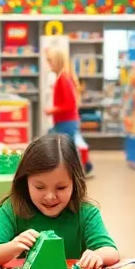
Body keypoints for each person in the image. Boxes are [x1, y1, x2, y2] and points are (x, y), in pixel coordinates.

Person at [0, 133, 117, 267]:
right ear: (25, 181)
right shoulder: (12, 209)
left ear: (75, 183)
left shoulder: (86, 213)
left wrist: (98, 255)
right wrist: (14, 246)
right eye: (40, 187)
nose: (50, 197)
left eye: (61, 187)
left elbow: (111, 251)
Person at [44, 47, 93, 176]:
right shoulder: (63, 77)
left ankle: (76, 171)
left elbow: (70, 104)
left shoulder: (63, 79)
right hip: (66, 120)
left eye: (50, 61)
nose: (48, 64)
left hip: (66, 120)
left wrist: (52, 110)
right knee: (67, 147)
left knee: (63, 149)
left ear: (57, 61)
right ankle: (84, 166)